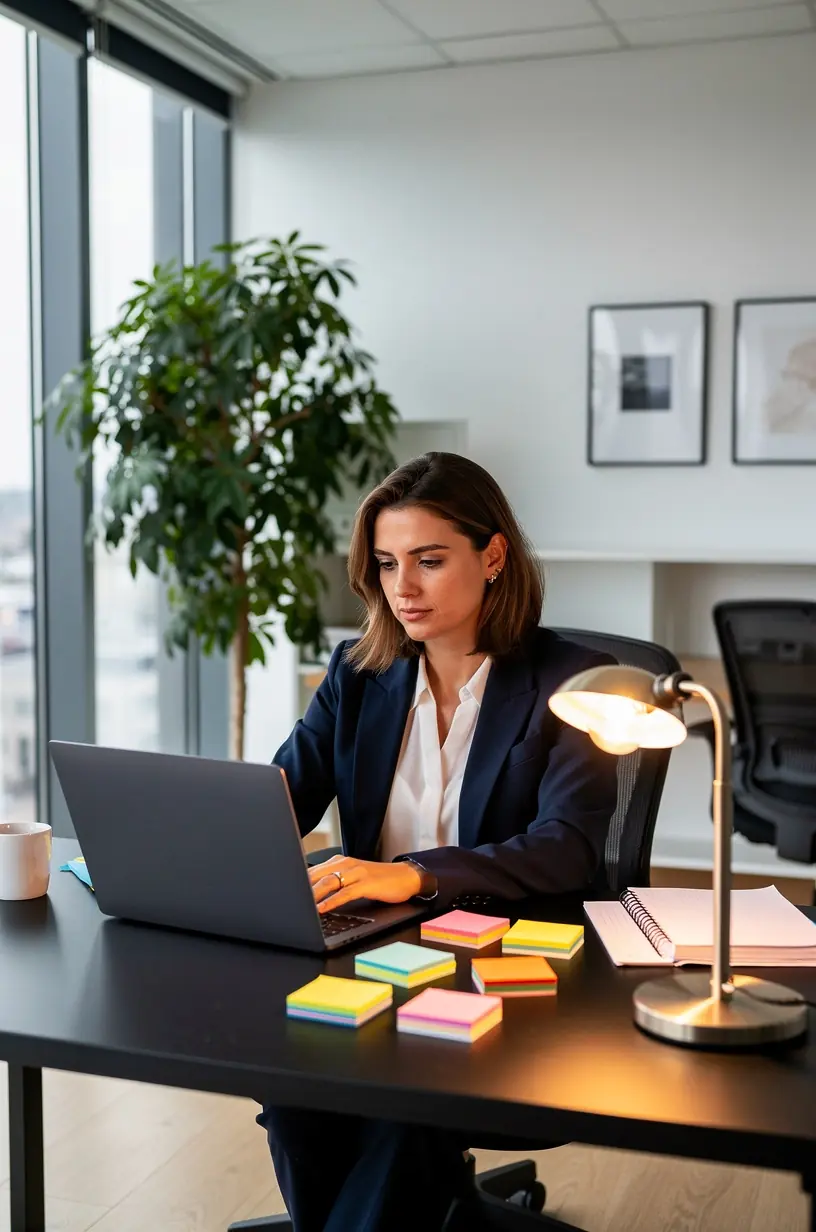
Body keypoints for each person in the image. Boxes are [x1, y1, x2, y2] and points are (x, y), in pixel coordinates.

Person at [257, 452, 618, 1232]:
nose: (403, 588)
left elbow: (567, 847)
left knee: (399, 1110)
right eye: (387, 564)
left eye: (428, 560)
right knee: (293, 1096)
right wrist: (209, 836)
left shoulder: (576, 682)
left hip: (509, 957)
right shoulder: (359, 674)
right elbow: (281, 799)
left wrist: (412, 877)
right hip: (369, 951)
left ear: (493, 557)